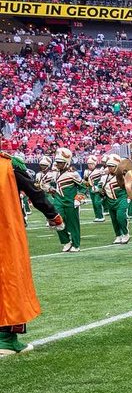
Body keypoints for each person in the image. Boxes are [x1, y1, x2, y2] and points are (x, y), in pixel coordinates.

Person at [1, 149, 63, 356]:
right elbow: (35, 193)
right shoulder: (8, 164)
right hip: (5, 234)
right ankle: (6, 339)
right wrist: (53, 215)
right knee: (9, 282)